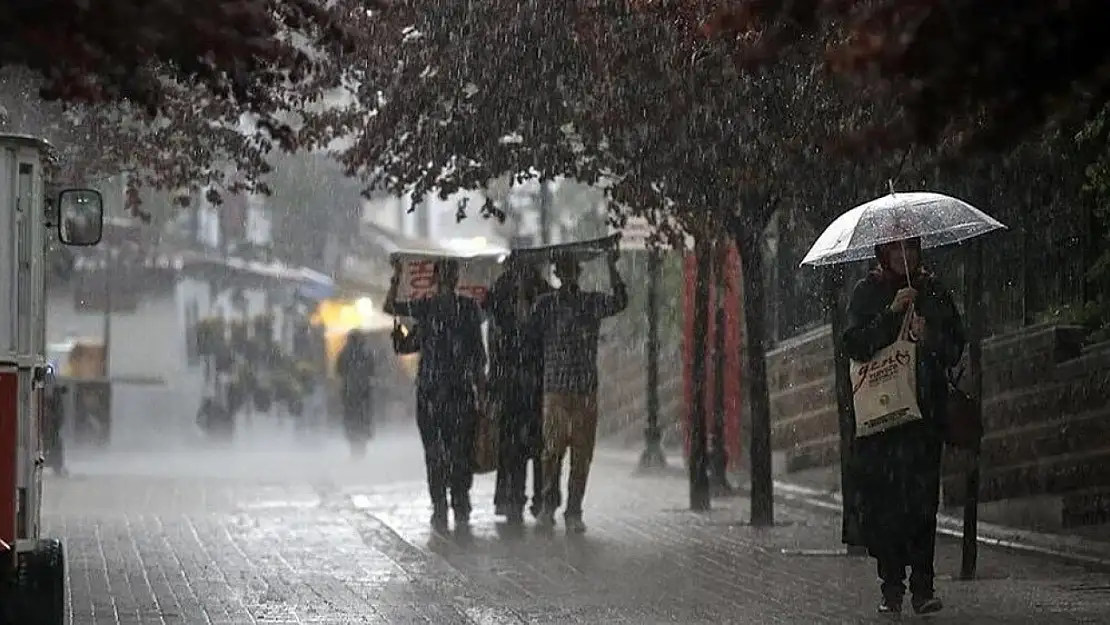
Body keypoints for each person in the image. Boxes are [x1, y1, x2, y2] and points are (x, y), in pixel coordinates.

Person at [842, 237, 966, 616]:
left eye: (909, 248)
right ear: (883, 254)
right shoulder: (868, 292)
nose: (903, 256)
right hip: (882, 421)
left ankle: (923, 587)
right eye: (895, 250)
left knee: (922, 503)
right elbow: (855, 345)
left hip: (922, 418)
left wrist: (930, 336)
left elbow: (954, 347)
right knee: (887, 507)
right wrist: (890, 315)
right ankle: (891, 585)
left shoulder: (931, 290)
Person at [384, 258, 487, 532]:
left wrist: (396, 278)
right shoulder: (449, 309)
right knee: (450, 452)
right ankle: (451, 503)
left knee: (446, 452)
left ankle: (448, 504)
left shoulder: (442, 309)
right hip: (446, 392)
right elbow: (478, 355)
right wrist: (396, 276)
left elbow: (477, 354)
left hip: (445, 392)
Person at [530, 249, 628, 533]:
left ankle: (574, 509)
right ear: (558, 274)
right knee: (552, 452)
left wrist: (612, 268)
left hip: (583, 388)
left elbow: (620, 301)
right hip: (556, 389)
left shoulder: (590, 302)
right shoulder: (545, 305)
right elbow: (528, 332)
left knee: (581, 455)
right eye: (563, 269)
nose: (568, 274)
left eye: (571, 269)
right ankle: (549, 504)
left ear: (577, 272)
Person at [486, 259, 555, 525]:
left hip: (534, 384)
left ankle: (539, 499)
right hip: (514, 385)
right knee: (513, 447)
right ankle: (513, 499)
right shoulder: (502, 294)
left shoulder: (542, 295)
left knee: (537, 447)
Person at [336, 330, 376, 456]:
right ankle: (360, 446)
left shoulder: (345, 353)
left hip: (350, 392)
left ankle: (355, 446)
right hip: (363, 392)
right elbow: (372, 369)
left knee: (353, 420)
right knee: (362, 420)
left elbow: (339, 369)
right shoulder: (366, 353)